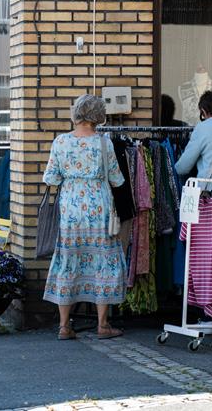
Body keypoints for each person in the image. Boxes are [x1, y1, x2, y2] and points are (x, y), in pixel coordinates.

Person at [43, 94, 126, 341]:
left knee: (68, 262)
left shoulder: (60, 142)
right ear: (98, 116)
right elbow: (117, 179)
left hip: (70, 210)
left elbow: (51, 178)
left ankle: (64, 326)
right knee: (103, 263)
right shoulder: (104, 143)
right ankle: (102, 324)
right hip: (99, 209)